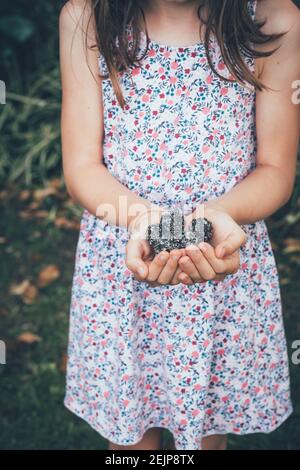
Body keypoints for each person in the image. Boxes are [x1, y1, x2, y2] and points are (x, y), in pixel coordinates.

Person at [59, 0, 300, 450]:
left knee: (206, 431)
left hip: (221, 260)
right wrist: (149, 223)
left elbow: (275, 169)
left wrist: (208, 222)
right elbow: (81, 166)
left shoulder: (272, 18)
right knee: (132, 435)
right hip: (124, 261)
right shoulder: (87, 16)